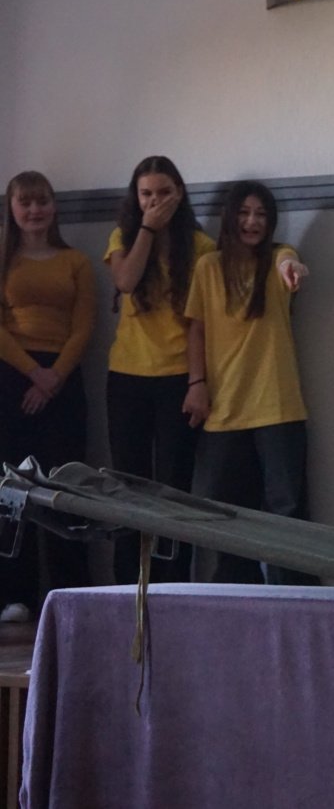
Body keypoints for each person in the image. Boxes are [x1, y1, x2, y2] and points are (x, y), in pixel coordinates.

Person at [182, 180, 317, 585]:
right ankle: (236, 597)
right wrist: (196, 383)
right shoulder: (208, 266)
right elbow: (196, 329)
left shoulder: (278, 258)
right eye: (244, 212)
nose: (252, 221)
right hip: (223, 409)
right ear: (229, 217)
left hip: (279, 406)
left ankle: (292, 597)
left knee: (287, 511)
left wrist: (293, 268)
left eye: (260, 214)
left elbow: (288, 261)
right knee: (226, 514)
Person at [105, 156, 216, 585]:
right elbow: (125, 281)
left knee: (174, 488)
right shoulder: (123, 236)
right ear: (136, 197)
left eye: (164, 193)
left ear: (180, 193)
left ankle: (172, 586)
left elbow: (200, 324)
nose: (155, 202)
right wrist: (148, 230)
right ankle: (125, 586)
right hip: (127, 375)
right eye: (146, 194)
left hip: (178, 377)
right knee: (126, 485)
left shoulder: (201, 247)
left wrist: (197, 382)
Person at [0, 171, 95, 621]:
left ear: (54, 207)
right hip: (12, 378)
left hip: (63, 380)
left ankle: (68, 590)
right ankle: (14, 595)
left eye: (42, 201)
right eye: (26, 202)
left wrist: (53, 376)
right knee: (12, 489)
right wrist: (32, 373)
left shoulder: (75, 261)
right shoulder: (3, 260)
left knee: (64, 486)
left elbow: (84, 326)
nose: (35, 210)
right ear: (12, 209)